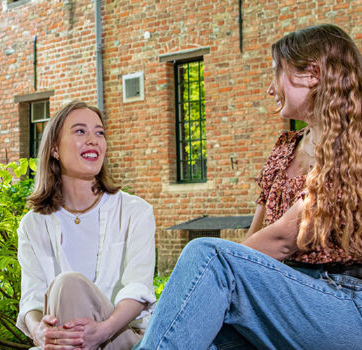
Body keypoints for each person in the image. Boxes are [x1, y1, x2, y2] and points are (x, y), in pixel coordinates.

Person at [136, 24, 362, 349]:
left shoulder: (353, 148)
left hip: (344, 302)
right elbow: (253, 239)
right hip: (281, 295)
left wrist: (207, 278)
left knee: (207, 253)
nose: (270, 88)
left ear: (312, 74)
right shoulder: (286, 148)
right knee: (198, 331)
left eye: (276, 73)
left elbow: (282, 241)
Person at [16, 101, 156, 349]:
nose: (93, 139)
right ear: (55, 149)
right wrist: (39, 332)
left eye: (99, 132)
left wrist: (102, 331)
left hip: (120, 338)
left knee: (67, 284)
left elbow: (138, 288)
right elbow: (32, 298)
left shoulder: (136, 212)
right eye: (80, 131)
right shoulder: (32, 225)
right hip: (64, 342)